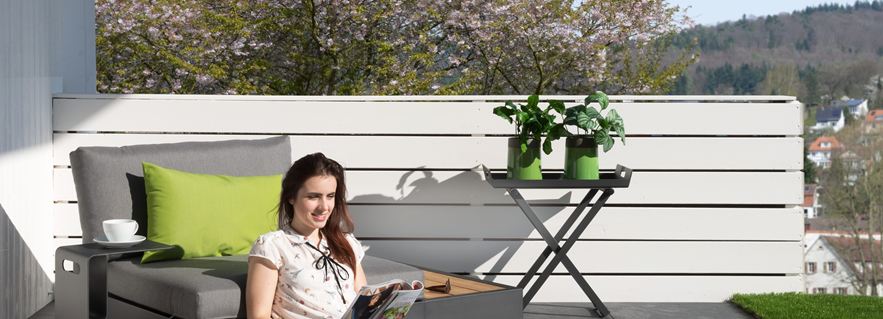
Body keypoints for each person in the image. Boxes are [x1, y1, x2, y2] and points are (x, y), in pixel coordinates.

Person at [247, 153, 367, 319]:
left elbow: (365, 303)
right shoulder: (272, 246)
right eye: (313, 197)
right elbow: (259, 316)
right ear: (291, 197)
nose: (324, 207)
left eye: (330, 196)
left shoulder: (346, 242)